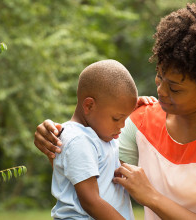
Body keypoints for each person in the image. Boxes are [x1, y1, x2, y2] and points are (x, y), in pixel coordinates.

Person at [34, 2, 196, 220]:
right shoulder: (140, 121)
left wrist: (152, 197)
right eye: (160, 76)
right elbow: (89, 171)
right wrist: (56, 140)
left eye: (174, 88)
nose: (160, 90)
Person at [51, 59, 138, 220]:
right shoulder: (78, 139)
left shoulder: (101, 134)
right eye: (117, 118)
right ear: (89, 106)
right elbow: (91, 201)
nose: (122, 125)